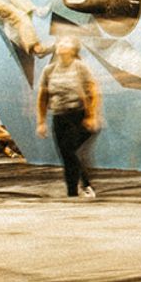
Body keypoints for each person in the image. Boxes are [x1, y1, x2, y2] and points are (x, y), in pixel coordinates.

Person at [35, 37, 101, 198]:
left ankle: (85, 185)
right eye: (60, 42)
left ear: (73, 50)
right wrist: (41, 121)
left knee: (70, 151)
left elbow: (92, 91)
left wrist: (91, 115)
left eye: (66, 43)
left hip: (78, 115)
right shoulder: (49, 70)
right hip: (59, 116)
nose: (61, 44)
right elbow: (43, 96)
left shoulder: (80, 68)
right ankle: (72, 191)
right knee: (66, 154)